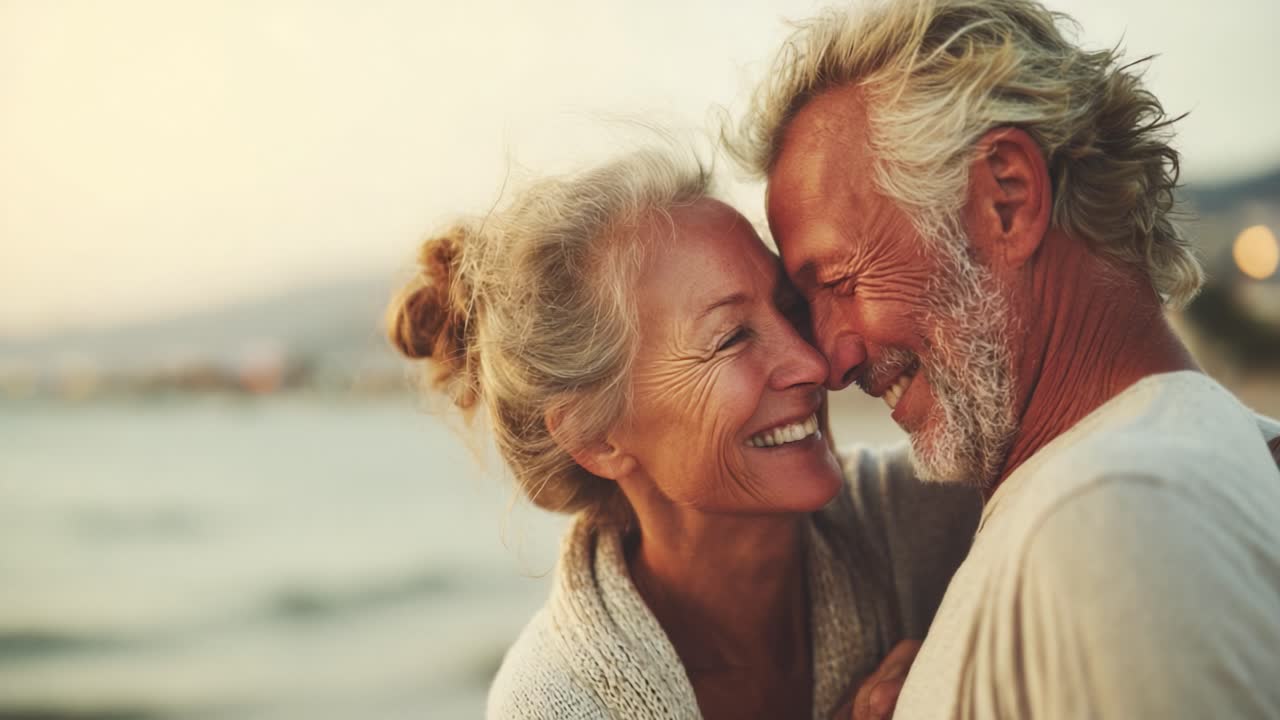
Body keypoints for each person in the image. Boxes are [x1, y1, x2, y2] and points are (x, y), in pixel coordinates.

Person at [728, 0, 1280, 717]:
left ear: (1007, 200)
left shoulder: (1108, 518)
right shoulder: (1207, 458)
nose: (830, 363)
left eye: (839, 281)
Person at [386, 149, 981, 719]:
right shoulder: (555, 704)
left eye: (790, 307)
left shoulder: (934, 515)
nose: (813, 363)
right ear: (596, 438)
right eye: (731, 338)